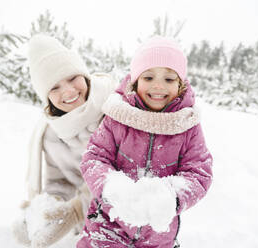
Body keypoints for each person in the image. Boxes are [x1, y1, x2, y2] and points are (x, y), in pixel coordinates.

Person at [77, 36, 213, 247]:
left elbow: (199, 172)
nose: (158, 86)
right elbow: (94, 157)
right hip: (110, 222)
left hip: (159, 232)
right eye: (148, 78)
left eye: (169, 79)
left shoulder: (187, 125)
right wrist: (113, 188)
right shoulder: (118, 117)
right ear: (135, 81)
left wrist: (170, 197)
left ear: (181, 85)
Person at [12, 34, 117, 247]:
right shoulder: (52, 133)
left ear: (84, 74)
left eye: (72, 78)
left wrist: (78, 209)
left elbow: (126, 173)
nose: (68, 91)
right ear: (46, 96)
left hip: (125, 217)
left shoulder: (115, 109)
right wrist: (50, 206)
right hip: (85, 224)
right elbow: (58, 181)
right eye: (54, 87)